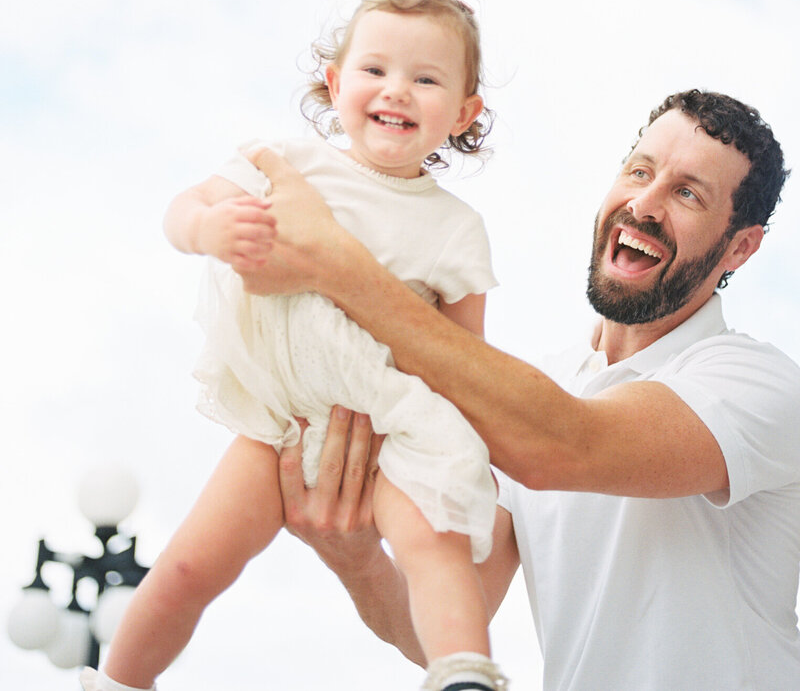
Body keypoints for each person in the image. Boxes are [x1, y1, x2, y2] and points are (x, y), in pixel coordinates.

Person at [235, 89, 800, 691]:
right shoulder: (540, 394)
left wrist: (342, 270)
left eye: (688, 193)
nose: (645, 203)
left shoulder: (758, 383)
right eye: (640, 171)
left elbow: (564, 446)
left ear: (740, 246)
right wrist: (355, 559)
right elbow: (447, 626)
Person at [79, 0, 510, 691]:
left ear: (465, 113)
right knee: (189, 564)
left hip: (390, 430)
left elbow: (470, 361)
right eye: (375, 70)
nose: (396, 90)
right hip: (279, 419)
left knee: (434, 546)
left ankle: (463, 673)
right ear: (337, 82)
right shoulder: (289, 165)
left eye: (425, 78)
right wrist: (205, 228)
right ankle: (119, 683)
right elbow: (182, 206)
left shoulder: (456, 229)